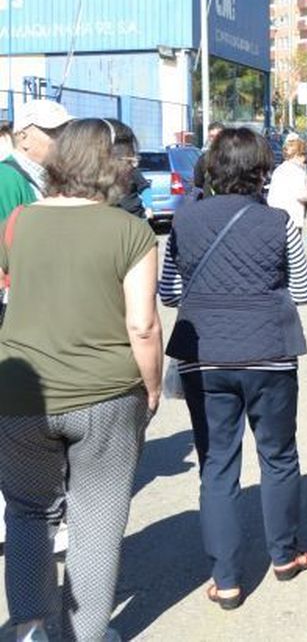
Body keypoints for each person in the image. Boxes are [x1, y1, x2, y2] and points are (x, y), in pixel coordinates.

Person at [0, 118, 161, 642]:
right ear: (112, 164)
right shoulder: (130, 230)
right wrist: (153, 385)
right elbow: (142, 324)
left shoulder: (19, 221)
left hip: (21, 391)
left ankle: (29, 627)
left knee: (28, 514)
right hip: (106, 393)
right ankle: (85, 634)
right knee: (96, 519)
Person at [160, 128, 307, 610]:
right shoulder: (279, 222)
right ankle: (284, 555)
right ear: (260, 171)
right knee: (278, 455)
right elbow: (304, 291)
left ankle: (226, 580)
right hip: (268, 353)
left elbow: (168, 293)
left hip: (204, 358)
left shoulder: (184, 223)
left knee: (217, 465)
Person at [0, 100, 72, 220]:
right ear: (23, 138)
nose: (63, 138)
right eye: (53, 132)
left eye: (65, 131)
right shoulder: (5, 179)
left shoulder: (55, 175)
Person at [107, 120, 150, 220]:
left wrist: (149, 207)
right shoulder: (98, 172)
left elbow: (145, 188)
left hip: (134, 215)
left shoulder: (132, 170)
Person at [266, 134, 307, 223]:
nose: (305, 158)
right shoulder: (297, 171)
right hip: (292, 217)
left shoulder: (279, 169)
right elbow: (302, 195)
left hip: (276, 214)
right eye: (304, 154)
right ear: (298, 154)